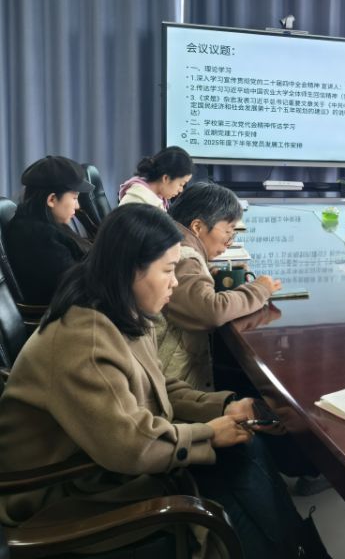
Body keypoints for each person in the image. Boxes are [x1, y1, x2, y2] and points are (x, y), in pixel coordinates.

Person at [0, 205, 327, 557]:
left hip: (97, 461)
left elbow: (160, 386)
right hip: (65, 494)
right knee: (226, 487)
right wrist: (209, 433)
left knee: (243, 449)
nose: (175, 282)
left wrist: (224, 407)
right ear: (129, 269)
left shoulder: (122, 310)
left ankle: (298, 549)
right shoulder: (86, 341)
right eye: (169, 270)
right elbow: (131, 447)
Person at [163, 183, 281, 391]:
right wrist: (259, 290)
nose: (229, 242)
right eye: (228, 231)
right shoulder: (183, 256)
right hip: (173, 386)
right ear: (197, 227)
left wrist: (214, 274)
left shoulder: (172, 240)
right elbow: (211, 311)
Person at [4, 155, 93, 305]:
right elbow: (75, 289)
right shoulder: (38, 239)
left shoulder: (44, 222)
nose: (77, 206)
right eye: (74, 198)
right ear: (52, 199)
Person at [118, 145, 194, 210]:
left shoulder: (158, 199)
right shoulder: (137, 201)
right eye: (181, 184)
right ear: (166, 178)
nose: (181, 190)